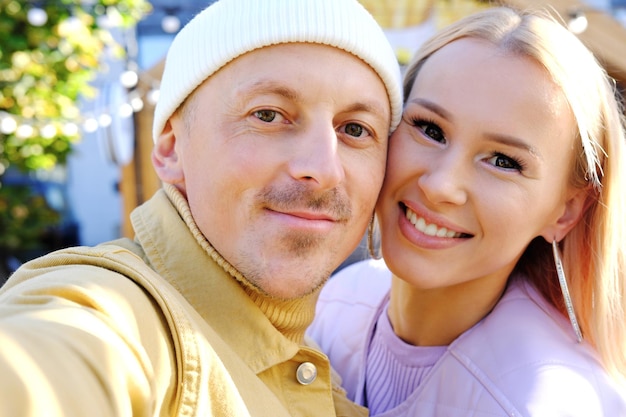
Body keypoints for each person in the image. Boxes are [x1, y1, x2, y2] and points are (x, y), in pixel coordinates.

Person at [0, 0, 403, 415]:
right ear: (173, 149)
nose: (323, 168)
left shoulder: (324, 361)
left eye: (355, 129)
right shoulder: (119, 315)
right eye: (267, 115)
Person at [308, 6, 626, 416]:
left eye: (504, 161)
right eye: (429, 129)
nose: (440, 186)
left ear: (565, 211)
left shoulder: (541, 402)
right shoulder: (338, 301)